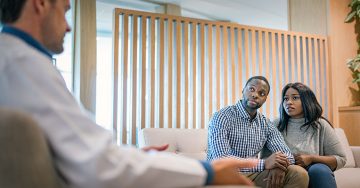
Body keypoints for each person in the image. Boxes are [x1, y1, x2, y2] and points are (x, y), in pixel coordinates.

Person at [0, 0, 258, 187]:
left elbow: (80, 153)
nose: (68, 27)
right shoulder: (23, 65)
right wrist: (208, 172)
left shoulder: (18, 61)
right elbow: (97, 165)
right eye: (66, 10)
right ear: (41, 4)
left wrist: (130, 156)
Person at [207, 76, 309, 188]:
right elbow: (222, 159)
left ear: (265, 99)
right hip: (223, 175)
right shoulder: (221, 116)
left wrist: (278, 166)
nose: (255, 95)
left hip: (253, 174)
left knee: (298, 174)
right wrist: (264, 164)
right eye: (252, 89)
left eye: (261, 93)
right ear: (243, 90)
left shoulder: (265, 124)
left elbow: (287, 155)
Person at [262, 82, 346, 188]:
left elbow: (341, 159)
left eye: (295, 98)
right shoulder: (275, 124)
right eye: (286, 99)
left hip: (313, 173)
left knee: (319, 170)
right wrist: (276, 165)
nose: (289, 102)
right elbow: (265, 157)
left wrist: (311, 158)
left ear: (306, 101)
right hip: (288, 173)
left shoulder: (320, 124)